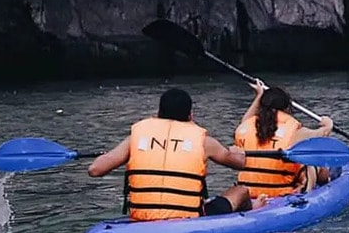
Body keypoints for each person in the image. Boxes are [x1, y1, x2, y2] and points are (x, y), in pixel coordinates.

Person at [88, 88, 262, 220]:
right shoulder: (204, 141)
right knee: (241, 190)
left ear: (158, 113)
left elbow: (95, 170)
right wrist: (237, 151)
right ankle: (253, 210)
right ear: (190, 115)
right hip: (188, 218)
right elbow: (240, 163)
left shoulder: (136, 137)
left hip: (142, 218)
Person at [233, 80, 334, 198]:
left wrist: (259, 95)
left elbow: (246, 119)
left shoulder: (245, 126)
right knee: (311, 159)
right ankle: (320, 186)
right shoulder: (295, 131)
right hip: (280, 193)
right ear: (286, 108)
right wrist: (328, 125)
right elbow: (320, 136)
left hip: (249, 193)